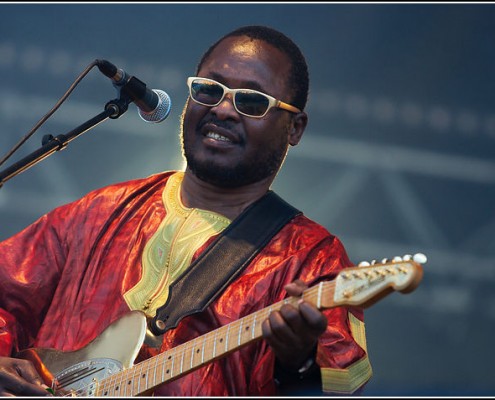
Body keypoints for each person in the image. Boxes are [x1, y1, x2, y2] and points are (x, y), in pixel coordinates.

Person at [0, 25, 372, 396]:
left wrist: (298, 364)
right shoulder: (101, 211)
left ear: (295, 127)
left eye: (252, 102)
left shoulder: (311, 258)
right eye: (210, 90)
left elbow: (335, 386)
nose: (224, 109)